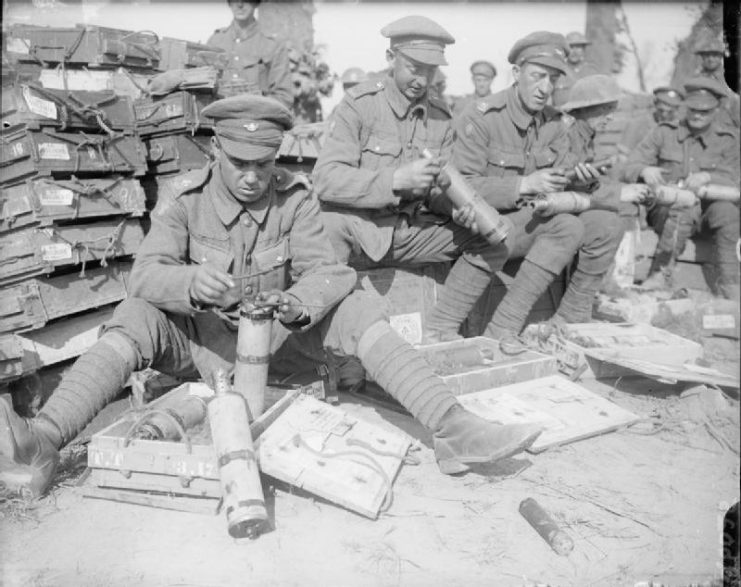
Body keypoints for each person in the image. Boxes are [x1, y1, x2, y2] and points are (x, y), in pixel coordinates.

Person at [0, 96, 543, 497]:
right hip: (203, 350)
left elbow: (328, 270)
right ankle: (45, 442)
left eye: (265, 164)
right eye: (241, 163)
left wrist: (299, 302)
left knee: (352, 303)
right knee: (136, 313)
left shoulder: (295, 200)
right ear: (217, 150)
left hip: (283, 346)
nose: (254, 178)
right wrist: (189, 283)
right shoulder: (184, 199)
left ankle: (452, 428)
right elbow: (143, 275)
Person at [312, 15, 511, 344]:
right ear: (391, 59)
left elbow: (439, 189)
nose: (421, 79)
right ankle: (324, 347)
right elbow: (326, 180)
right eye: (413, 67)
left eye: (430, 71)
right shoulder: (360, 104)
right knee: (325, 227)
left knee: (494, 240)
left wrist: (453, 209)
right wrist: (394, 180)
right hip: (359, 231)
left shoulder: (440, 116)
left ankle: (441, 328)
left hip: (410, 234)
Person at [453, 32, 623, 344]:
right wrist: (523, 185)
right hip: (485, 225)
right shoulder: (482, 118)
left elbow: (563, 171)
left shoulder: (555, 124)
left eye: (554, 79)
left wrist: (579, 178)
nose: (546, 88)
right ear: (516, 74)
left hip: (533, 221)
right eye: (538, 76)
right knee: (566, 226)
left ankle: (571, 316)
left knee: (606, 225)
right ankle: (503, 328)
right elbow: (462, 186)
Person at [621, 77, 740, 298]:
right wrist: (644, 170)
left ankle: (731, 285)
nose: (697, 115)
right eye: (693, 109)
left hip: (708, 216)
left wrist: (708, 176)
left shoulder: (728, 139)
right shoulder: (664, 132)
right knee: (685, 205)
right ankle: (661, 273)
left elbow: (735, 180)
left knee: (728, 212)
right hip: (666, 213)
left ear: (716, 110)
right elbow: (629, 165)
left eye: (704, 111)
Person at [207, 0, 293, 107]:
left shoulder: (272, 45)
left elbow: (284, 96)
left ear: (256, 3)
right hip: (220, 119)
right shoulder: (215, 42)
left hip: (257, 119)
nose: (240, 5)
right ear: (229, 3)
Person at [689, 37, 739, 128]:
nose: (710, 59)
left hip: (724, 124)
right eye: (707, 55)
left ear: (721, 57)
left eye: (714, 55)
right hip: (700, 123)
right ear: (702, 57)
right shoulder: (695, 79)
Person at [618, 86, 684, 154]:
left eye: (670, 112)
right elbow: (623, 156)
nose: (664, 115)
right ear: (655, 105)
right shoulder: (637, 124)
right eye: (661, 110)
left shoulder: (680, 128)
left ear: (676, 110)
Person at [552, 31, 602, 107]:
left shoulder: (592, 72)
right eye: (570, 47)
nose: (574, 52)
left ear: (584, 49)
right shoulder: (557, 72)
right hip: (562, 116)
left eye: (578, 47)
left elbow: (602, 99)